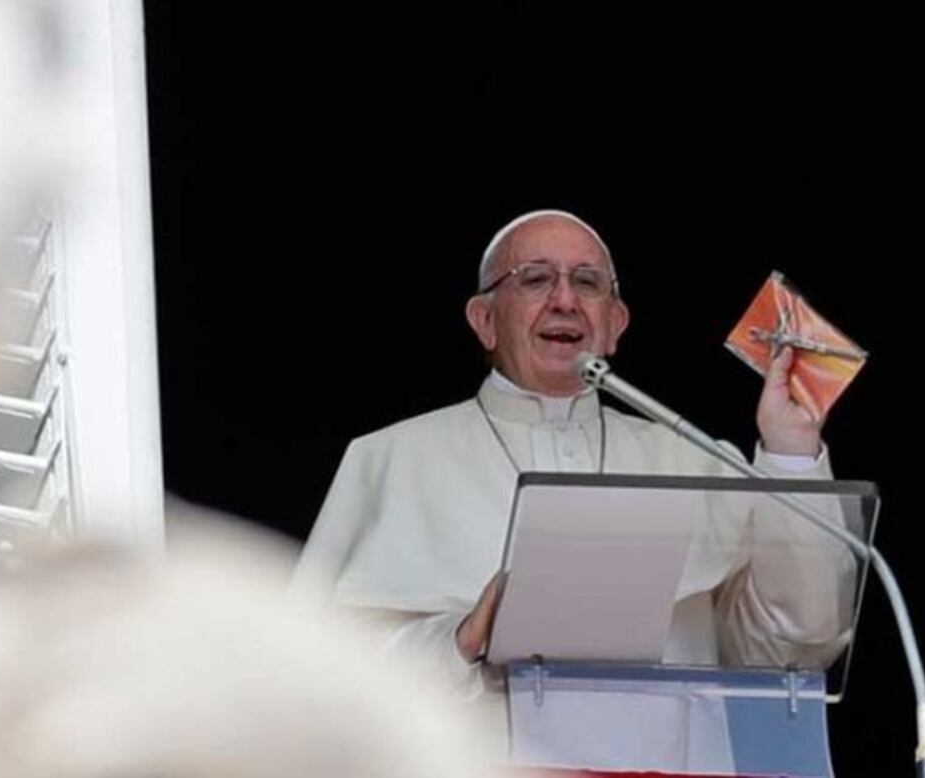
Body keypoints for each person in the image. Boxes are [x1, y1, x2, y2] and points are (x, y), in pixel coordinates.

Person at [294, 209, 855, 728]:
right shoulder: (392, 459)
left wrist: (790, 449)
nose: (565, 299)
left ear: (615, 323)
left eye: (587, 283)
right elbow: (317, 669)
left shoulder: (692, 460)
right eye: (535, 279)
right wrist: (461, 639)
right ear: (484, 320)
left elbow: (795, 646)